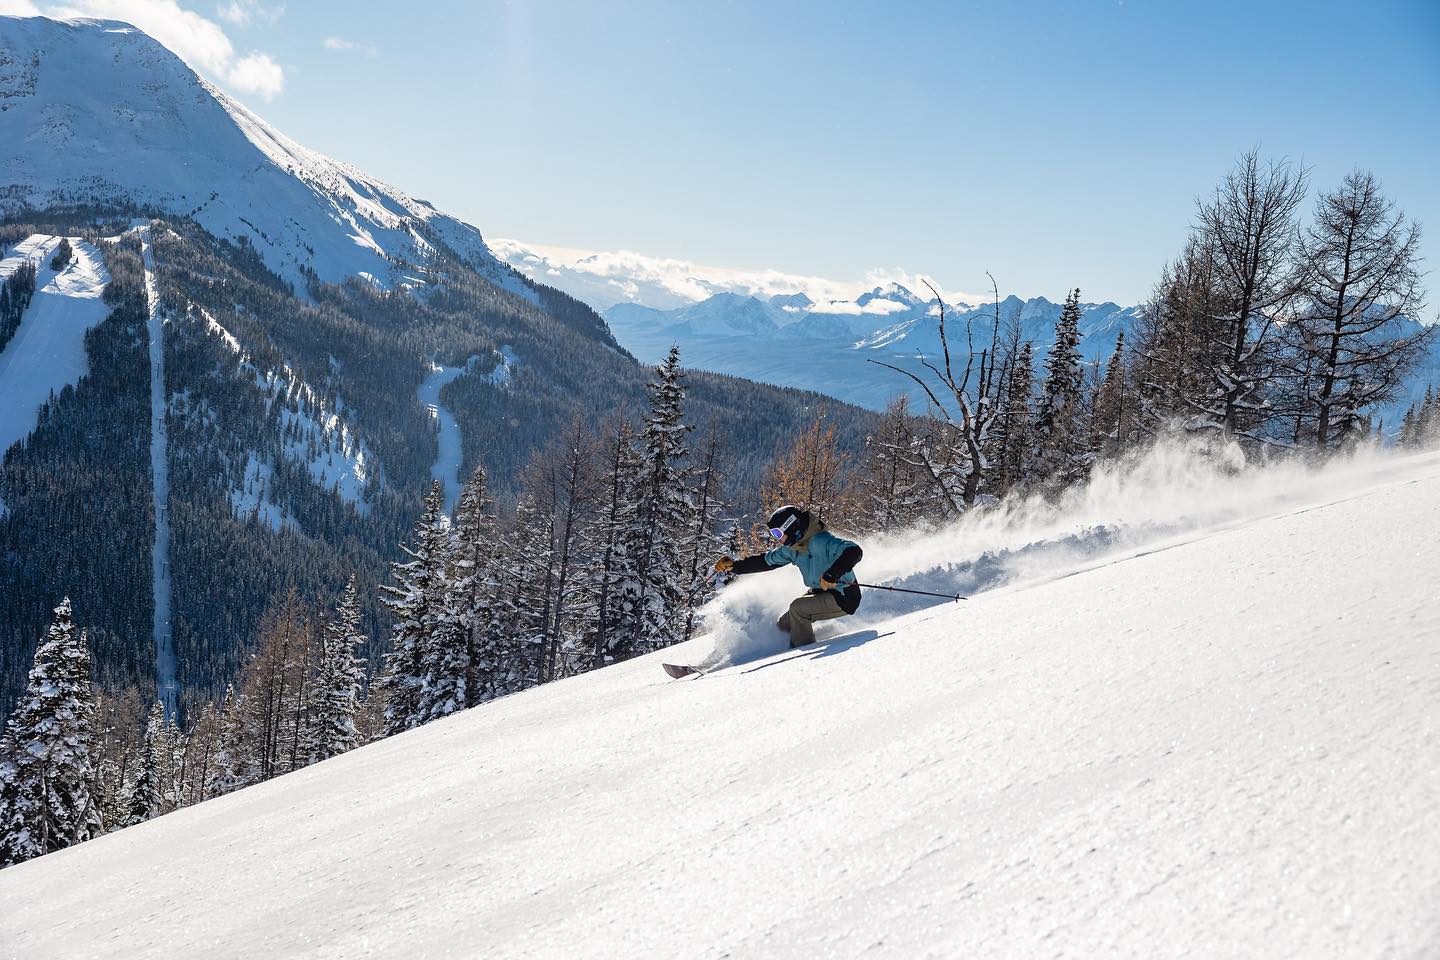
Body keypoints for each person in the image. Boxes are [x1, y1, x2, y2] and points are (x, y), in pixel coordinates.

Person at [714, 504, 863, 648]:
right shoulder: (793, 549)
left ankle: (799, 656)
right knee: (784, 625)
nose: (777, 538)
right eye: (774, 534)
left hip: (844, 595)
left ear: (791, 527)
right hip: (820, 591)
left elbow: (854, 551)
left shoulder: (822, 540)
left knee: (798, 609)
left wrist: (832, 574)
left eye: (778, 533)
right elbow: (766, 561)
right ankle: (772, 651)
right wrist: (735, 566)